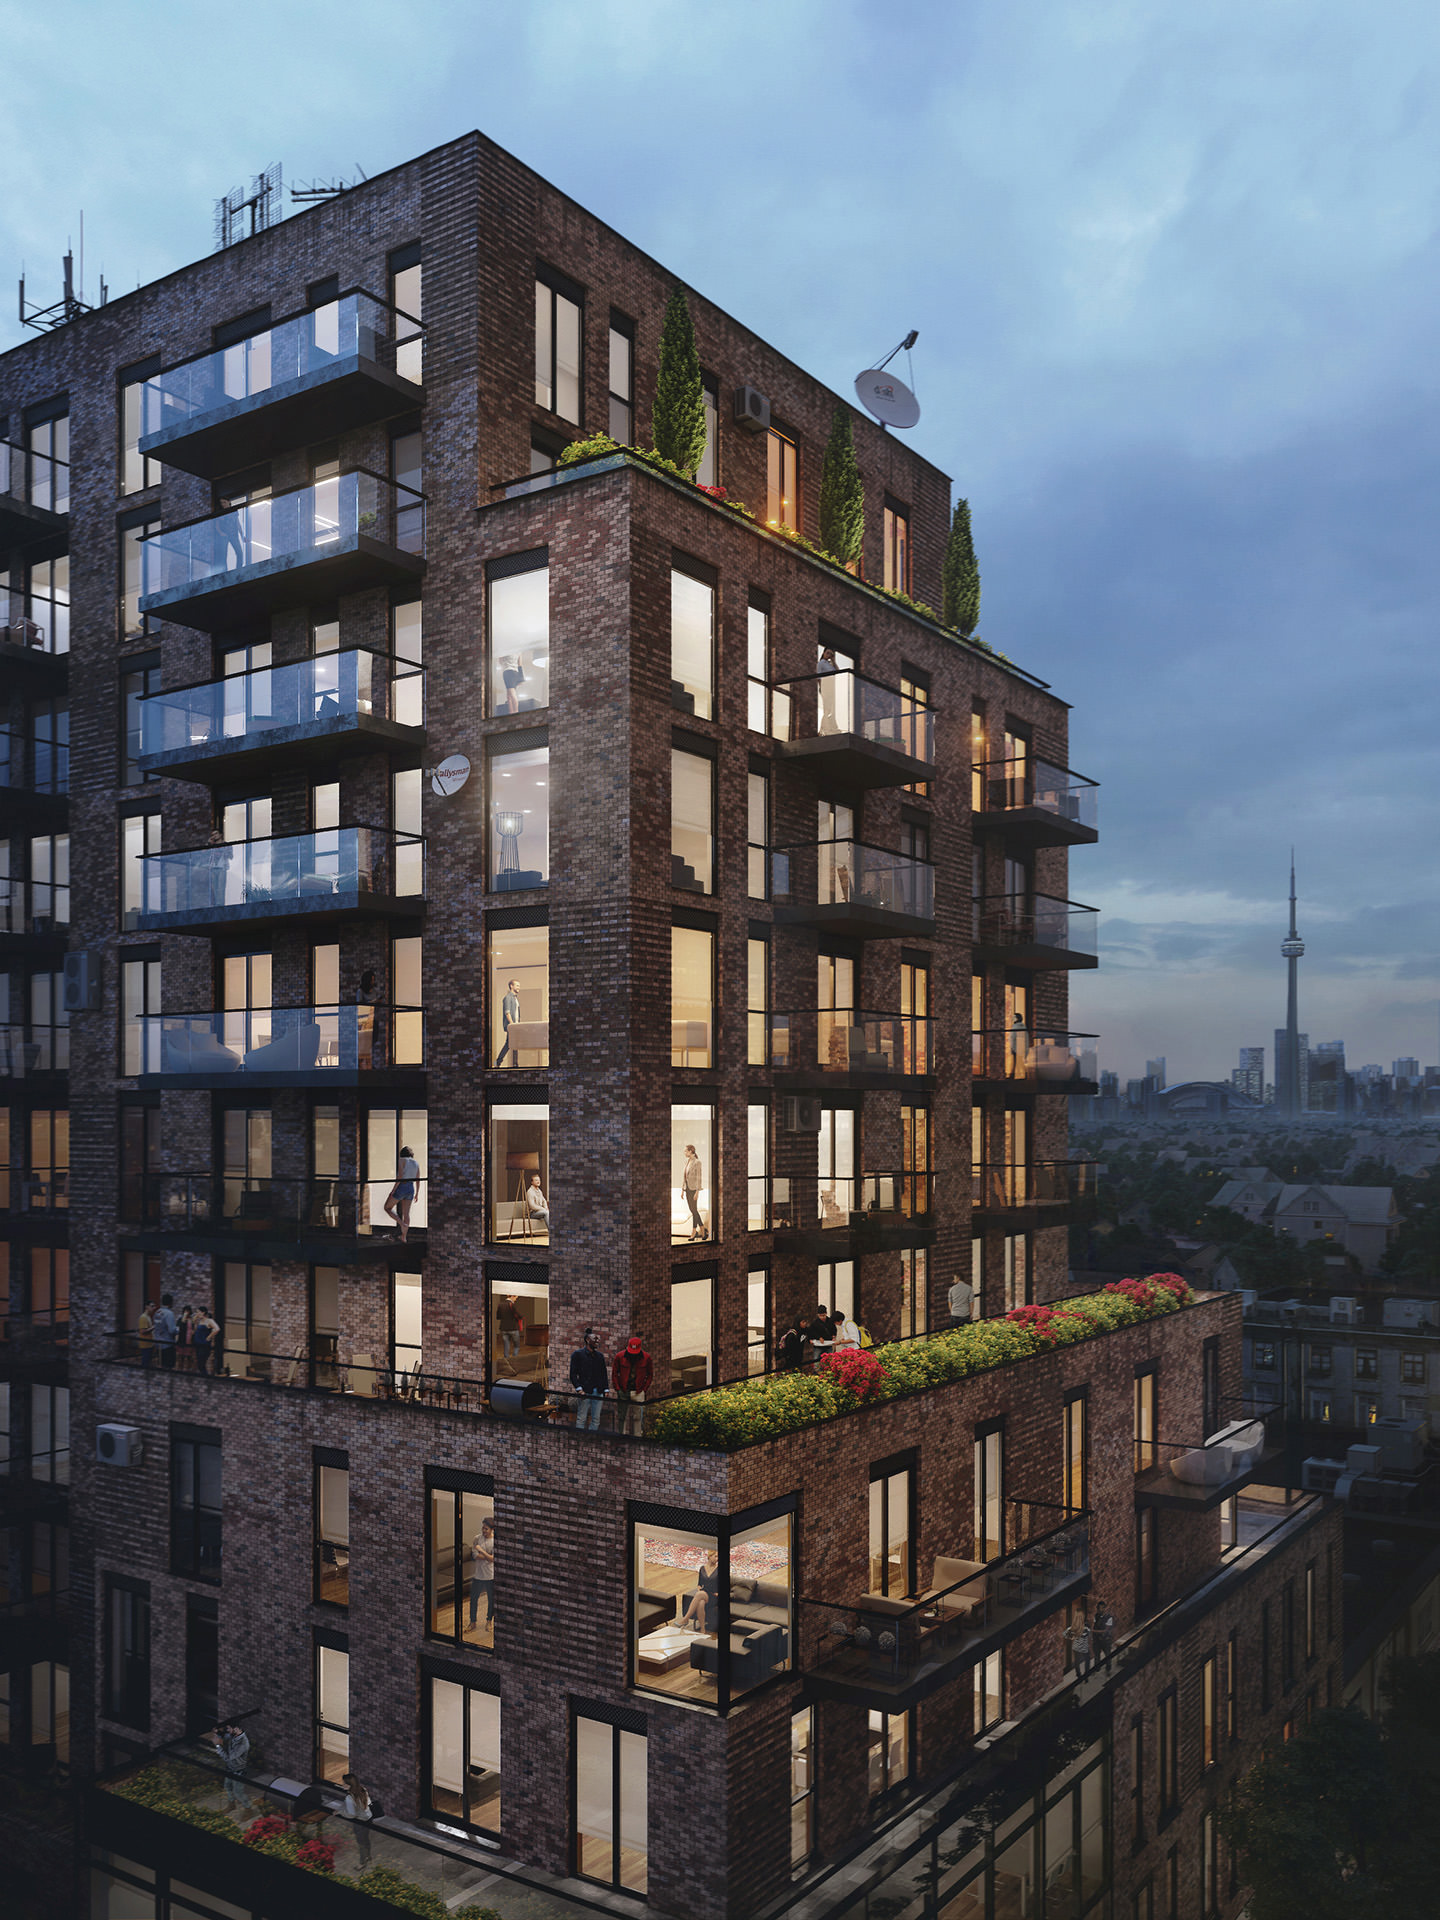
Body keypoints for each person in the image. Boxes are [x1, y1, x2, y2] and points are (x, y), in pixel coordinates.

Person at [613, 1335, 653, 1437]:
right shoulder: (619, 1356)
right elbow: (614, 1374)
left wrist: (644, 1389)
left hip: (638, 1391)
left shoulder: (647, 1358)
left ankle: (637, 1437)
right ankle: (622, 1436)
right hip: (623, 1390)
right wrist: (618, 1389)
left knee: (638, 1417)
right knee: (622, 1416)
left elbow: (650, 1375)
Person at [570, 1326, 608, 1431]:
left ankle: (592, 1439)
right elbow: (573, 1374)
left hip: (598, 1390)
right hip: (585, 1391)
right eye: (594, 1339)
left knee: (596, 1419)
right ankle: (580, 1438)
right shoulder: (577, 1355)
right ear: (587, 1340)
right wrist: (579, 1389)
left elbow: (603, 1373)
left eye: (598, 1339)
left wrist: (606, 1389)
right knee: (581, 1418)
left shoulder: (599, 1356)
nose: (597, 1341)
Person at [207, 1721, 251, 1808]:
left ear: (236, 1729)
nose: (227, 1730)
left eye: (229, 1728)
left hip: (239, 1771)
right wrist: (218, 1733)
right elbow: (225, 1737)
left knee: (238, 1792)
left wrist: (218, 1746)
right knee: (227, 1787)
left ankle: (248, 1808)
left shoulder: (243, 1744)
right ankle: (232, 1804)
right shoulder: (233, 1736)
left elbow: (228, 1757)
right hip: (230, 1768)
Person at [384, 1144, 421, 1242]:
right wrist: (417, 1193)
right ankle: (404, 1237)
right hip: (411, 1188)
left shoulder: (402, 1160)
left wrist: (393, 1190)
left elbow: (400, 1176)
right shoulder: (416, 1163)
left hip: (402, 1186)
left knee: (387, 1208)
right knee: (406, 1214)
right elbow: (418, 1179)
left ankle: (401, 1224)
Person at [679, 1548, 721, 1634]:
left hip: (713, 1596)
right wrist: (699, 1587)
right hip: (703, 1594)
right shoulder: (702, 1568)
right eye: (715, 1556)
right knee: (700, 1602)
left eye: (718, 1557)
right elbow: (699, 1583)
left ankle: (685, 1619)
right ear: (709, 1556)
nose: (717, 1559)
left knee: (700, 1594)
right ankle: (702, 1629)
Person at [341, 1773, 376, 1868]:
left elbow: (352, 1814)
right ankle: (368, 1856)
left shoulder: (349, 1798)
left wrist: (341, 1813)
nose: (342, 1785)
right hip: (369, 1818)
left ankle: (362, 1863)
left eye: (344, 1783)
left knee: (361, 1842)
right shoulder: (362, 1790)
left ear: (350, 1785)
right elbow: (368, 1803)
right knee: (366, 1839)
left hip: (360, 1822)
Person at [469, 1517, 496, 1633]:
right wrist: (486, 1556)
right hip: (478, 1575)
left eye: (486, 1529)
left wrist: (482, 1551)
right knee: (473, 1599)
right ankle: (473, 1622)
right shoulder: (477, 1538)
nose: (484, 1531)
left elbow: (492, 1559)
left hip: (490, 1576)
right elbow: (474, 1555)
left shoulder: (494, 1542)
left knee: (491, 1600)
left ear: (491, 1529)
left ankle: (489, 1621)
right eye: (483, 1528)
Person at [494, 977, 523, 1066]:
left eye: (519, 986)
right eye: (517, 985)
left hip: (516, 1025)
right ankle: (498, 1062)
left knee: (514, 1044)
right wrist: (512, 1024)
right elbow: (507, 1012)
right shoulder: (508, 998)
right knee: (509, 1044)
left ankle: (513, 1063)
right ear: (511, 986)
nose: (519, 987)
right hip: (512, 1026)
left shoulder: (515, 998)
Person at [681, 1144, 705, 1240]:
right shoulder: (687, 1161)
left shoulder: (697, 1162)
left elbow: (699, 1178)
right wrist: (682, 1190)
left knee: (694, 1210)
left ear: (691, 1151)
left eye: (686, 1151)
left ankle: (694, 1232)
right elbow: (684, 1177)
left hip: (693, 1189)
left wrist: (697, 1191)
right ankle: (703, 1229)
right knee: (693, 1210)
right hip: (687, 1189)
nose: (684, 1153)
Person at [152, 1293, 179, 1371]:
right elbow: (172, 1330)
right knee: (168, 1367)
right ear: (170, 1303)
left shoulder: (157, 1312)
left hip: (158, 1343)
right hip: (167, 1344)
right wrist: (178, 1330)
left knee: (161, 1366)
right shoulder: (169, 1314)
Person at [496, 1294, 524, 1365]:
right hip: (513, 1328)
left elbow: (498, 1316)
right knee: (516, 1345)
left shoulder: (500, 1304)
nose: (516, 1299)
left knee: (506, 1344)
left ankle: (506, 1361)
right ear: (512, 1296)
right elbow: (519, 1315)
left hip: (503, 1328)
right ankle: (514, 1360)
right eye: (516, 1298)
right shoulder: (512, 1305)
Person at [1065, 1615, 1093, 1680]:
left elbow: (1066, 1633)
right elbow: (1090, 1636)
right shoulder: (1086, 1627)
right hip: (1083, 1647)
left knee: (1077, 1661)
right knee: (1087, 1660)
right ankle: (1086, 1674)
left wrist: (1072, 1637)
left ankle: (1078, 1675)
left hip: (1076, 1647)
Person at [193, 1307, 216, 1377]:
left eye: (198, 1312)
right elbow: (195, 1329)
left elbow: (215, 1330)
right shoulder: (200, 1322)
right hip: (198, 1344)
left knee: (201, 1363)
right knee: (200, 1364)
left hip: (204, 1345)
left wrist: (209, 1338)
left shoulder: (208, 1322)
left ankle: (206, 1377)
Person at [1092, 1601, 1115, 1670]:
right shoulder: (1096, 1615)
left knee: (1107, 1655)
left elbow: (1106, 1630)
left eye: (1101, 1608)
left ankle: (1108, 1668)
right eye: (1098, 1608)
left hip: (1106, 1639)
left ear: (1104, 1608)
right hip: (1097, 1639)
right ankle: (1097, 1668)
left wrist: (1095, 1631)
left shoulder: (1109, 1617)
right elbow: (1094, 1625)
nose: (1099, 1610)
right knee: (1097, 1655)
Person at [177, 1305, 196, 1373]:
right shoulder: (181, 1319)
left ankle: (189, 1370)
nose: (187, 1312)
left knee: (189, 1357)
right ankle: (180, 1369)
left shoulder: (191, 1320)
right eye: (185, 1311)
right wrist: (184, 1317)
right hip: (182, 1340)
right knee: (181, 1356)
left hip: (189, 1340)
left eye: (188, 1311)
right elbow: (179, 1327)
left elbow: (193, 1329)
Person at [138, 1299, 156, 1369]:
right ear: (146, 1307)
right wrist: (154, 1327)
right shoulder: (143, 1317)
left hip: (149, 1344)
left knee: (148, 1362)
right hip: (145, 1345)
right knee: (145, 1363)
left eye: (154, 1306)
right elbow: (142, 1331)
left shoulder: (148, 1317)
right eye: (152, 1306)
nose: (153, 1308)